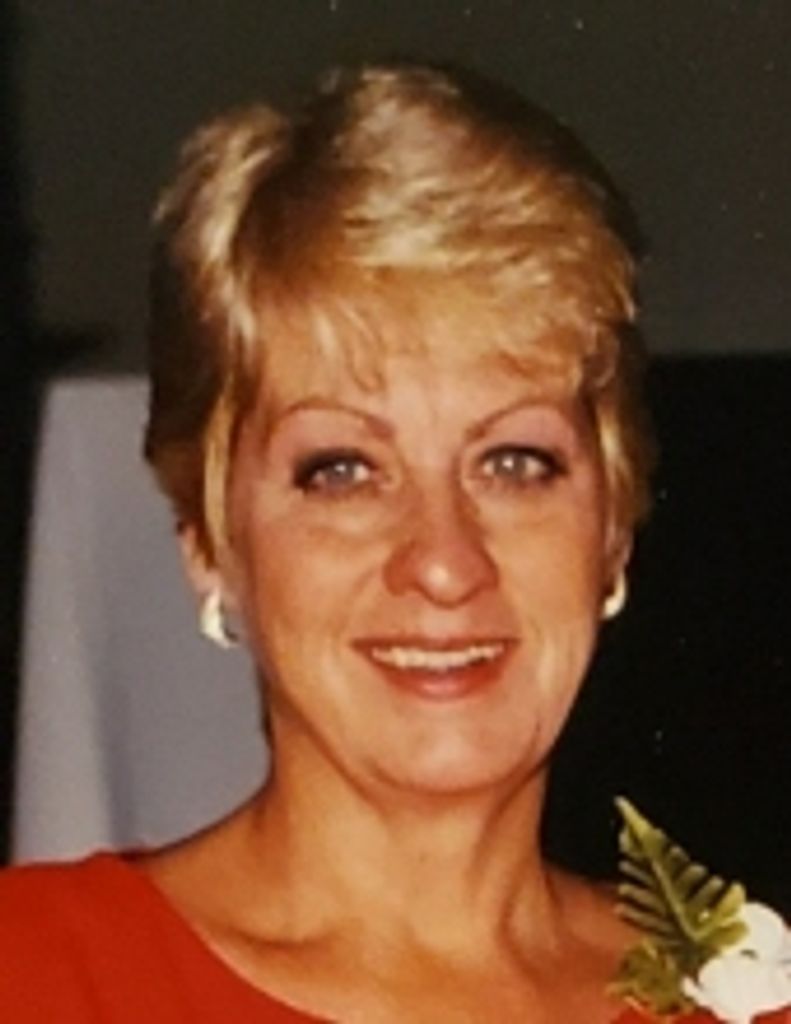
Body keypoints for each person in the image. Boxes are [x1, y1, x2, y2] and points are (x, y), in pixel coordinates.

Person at [0, 62, 652, 1021]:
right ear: (209, 541)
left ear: (612, 529)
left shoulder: (746, 999)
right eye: (342, 470)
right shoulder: (34, 975)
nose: (444, 562)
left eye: (513, 463)